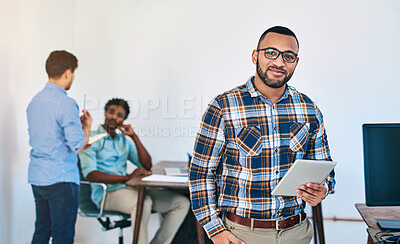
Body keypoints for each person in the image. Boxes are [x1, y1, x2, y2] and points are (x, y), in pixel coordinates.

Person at [189, 26, 336, 244]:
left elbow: (324, 168)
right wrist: (215, 230)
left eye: (288, 56)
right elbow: (200, 173)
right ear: (255, 56)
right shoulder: (224, 106)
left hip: (297, 232)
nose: (279, 62)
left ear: (296, 62)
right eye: (271, 53)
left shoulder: (308, 109)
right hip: (242, 235)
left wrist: (323, 188)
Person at [79, 98, 190, 244]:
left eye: (119, 115)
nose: (114, 117)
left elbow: (147, 164)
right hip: (106, 194)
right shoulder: (91, 139)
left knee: (181, 203)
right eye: (111, 112)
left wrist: (134, 137)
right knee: (144, 202)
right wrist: (127, 178)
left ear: (123, 120)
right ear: (105, 113)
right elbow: (91, 175)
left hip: (130, 189)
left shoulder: (123, 141)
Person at [27, 50, 92, 244]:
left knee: (42, 231)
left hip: (38, 177)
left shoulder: (34, 102)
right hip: (61, 178)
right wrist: (86, 127)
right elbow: (78, 145)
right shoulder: (65, 103)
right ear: (68, 72)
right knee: (63, 236)